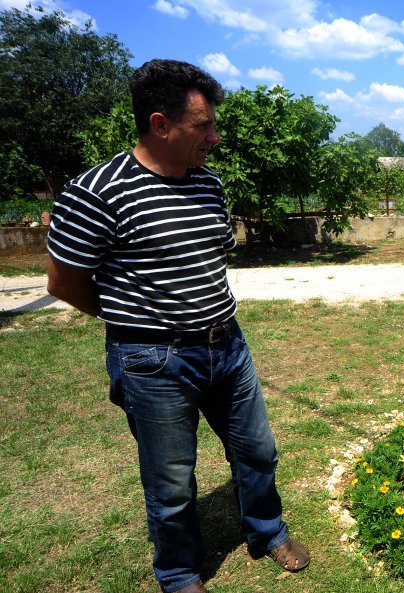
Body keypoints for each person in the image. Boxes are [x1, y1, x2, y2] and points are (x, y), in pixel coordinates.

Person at [46, 59, 309, 593]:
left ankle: (267, 530)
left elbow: (213, 258)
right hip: (153, 361)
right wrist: (135, 317)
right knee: (170, 482)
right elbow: (63, 282)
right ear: (161, 124)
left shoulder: (209, 183)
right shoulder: (97, 191)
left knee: (257, 450)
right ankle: (179, 572)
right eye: (203, 125)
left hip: (227, 346)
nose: (214, 136)